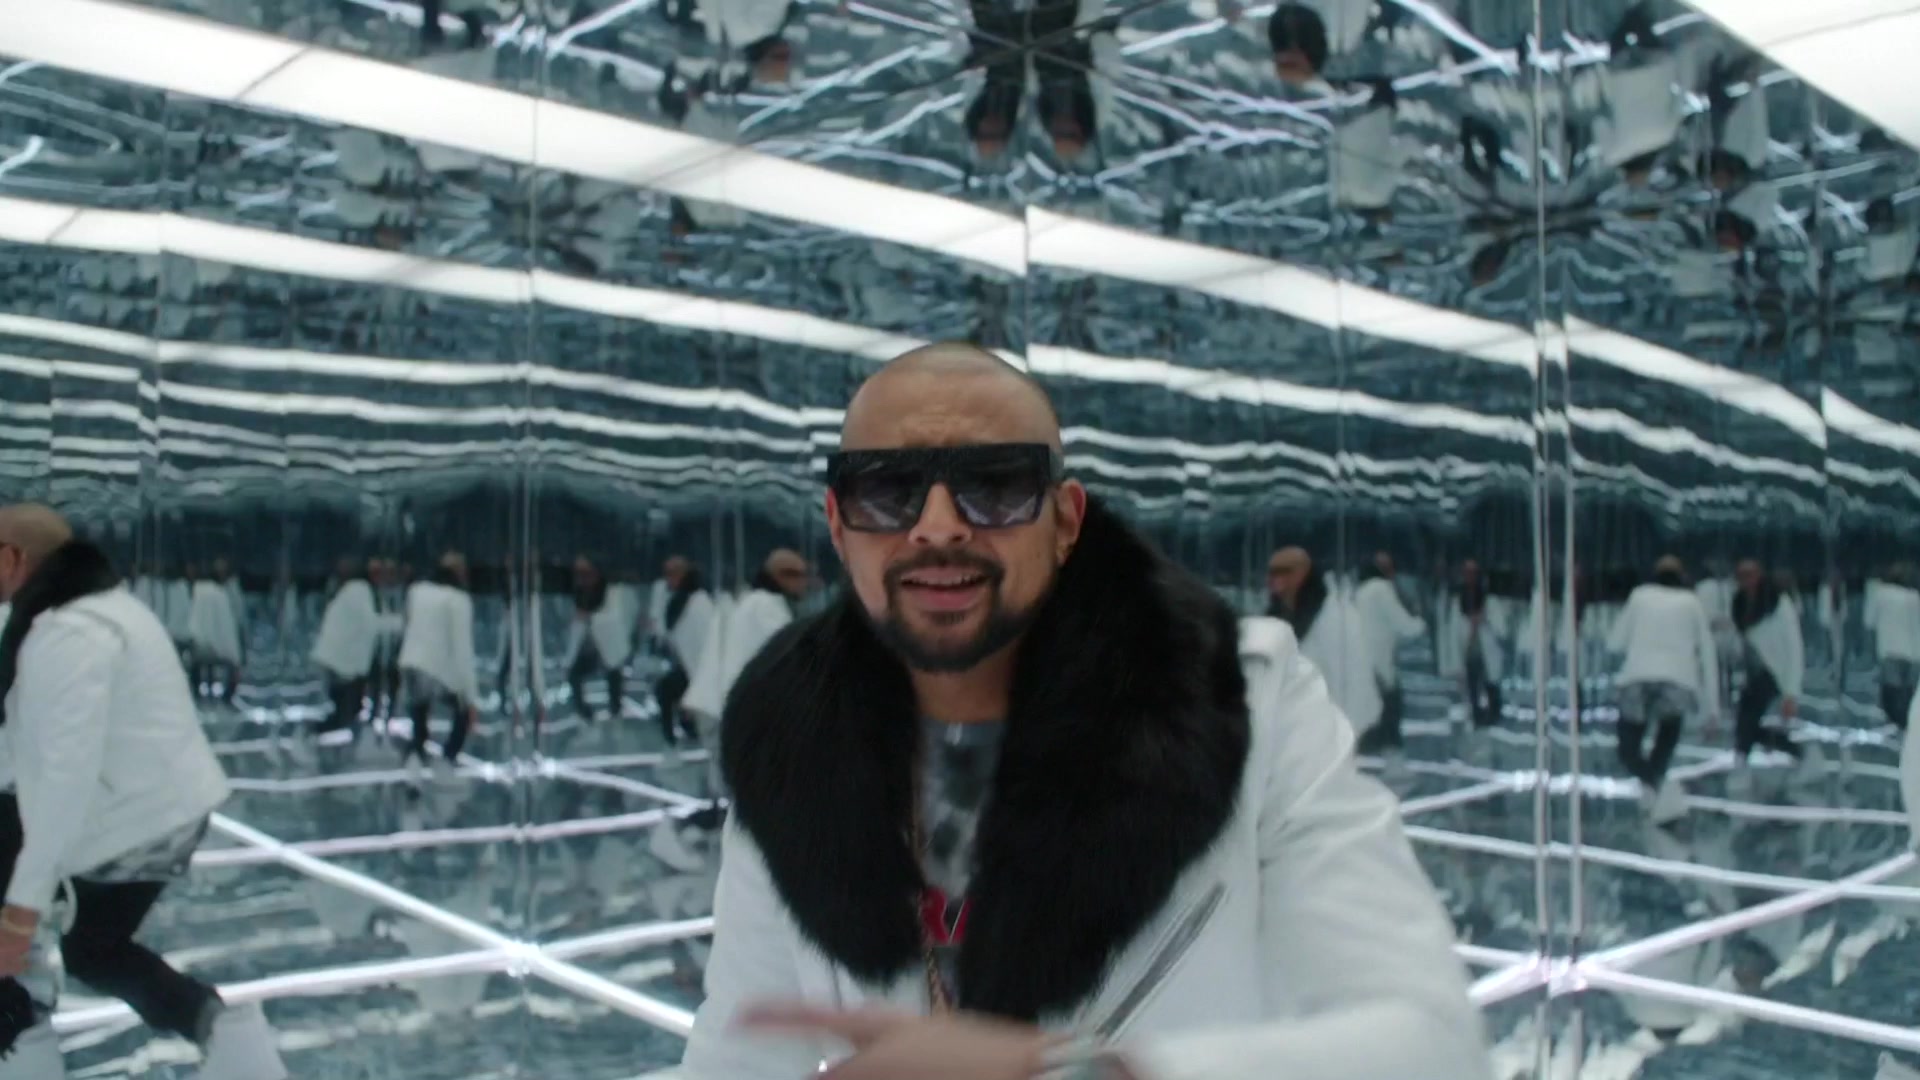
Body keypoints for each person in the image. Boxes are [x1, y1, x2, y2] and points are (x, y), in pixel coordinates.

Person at [679, 344, 1489, 1080]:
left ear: (1066, 521)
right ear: (838, 524)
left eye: (994, 487)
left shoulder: (1246, 707)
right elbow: (734, 1057)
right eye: (888, 493)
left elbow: (1430, 1046)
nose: (937, 527)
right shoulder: (794, 753)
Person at [0, 505, 285, 1079]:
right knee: (93, 949)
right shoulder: (99, 610)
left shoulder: (67, 634)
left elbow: (63, 774)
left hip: (132, 820)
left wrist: (22, 911)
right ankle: (227, 1037)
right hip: (156, 811)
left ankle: (23, 1033)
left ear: (12, 559)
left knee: (85, 945)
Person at [1606, 556, 1720, 823]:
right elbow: (1707, 653)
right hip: (1678, 681)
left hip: (1638, 677)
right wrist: (1712, 708)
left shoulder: (1639, 596)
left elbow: (1615, 642)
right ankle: (1658, 788)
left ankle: (1656, 787)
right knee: (1666, 739)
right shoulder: (1691, 602)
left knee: (1628, 748)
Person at [1266, 546, 1382, 747]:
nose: (1275, 579)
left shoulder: (1333, 616)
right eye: (1272, 572)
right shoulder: (1275, 615)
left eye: (1284, 571)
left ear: (1302, 574)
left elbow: (1351, 676)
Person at [396, 552, 479, 769]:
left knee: (419, 720)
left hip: (410, 664)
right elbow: (463, 649)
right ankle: (446, 762)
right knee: (461, 711)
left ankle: (414, 765)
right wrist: (470, 698)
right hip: (434, 670)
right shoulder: (459, 600)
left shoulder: (417, 591)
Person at [1731, 559, 1806, 774]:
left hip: (1773, 671)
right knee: (1746, 722)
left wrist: (1791, 693)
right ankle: (1791, 749)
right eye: (1742, 576)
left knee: (1747, 718)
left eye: (1750, 575)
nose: (1746, 581)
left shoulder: (1778, 604)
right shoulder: (1739, 604)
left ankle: (1742, 760)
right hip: (1750, 671)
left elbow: (1794, 647)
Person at [1352, 552, 1426, 755]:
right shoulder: (1381, 589)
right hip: (1381, 662)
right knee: (1391, 707)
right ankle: (1390, 752)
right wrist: (1420, 623)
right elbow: (1402, 623)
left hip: (1365, 659)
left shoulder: (1361, 590)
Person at [311, 557, 381, 739]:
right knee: (348, 711)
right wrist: (400, 623)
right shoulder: (360, 590)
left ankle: (315, 734)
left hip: (336, 661)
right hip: (345, 664)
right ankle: (310, 734)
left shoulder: (348, 590)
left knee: (347, 709)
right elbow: (370, 623)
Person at [654, 556, 714, 748]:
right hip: (686, 667)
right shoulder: (676, 599)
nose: (668, 578)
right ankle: (673, 738)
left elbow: (703, 644)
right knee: (664, 690)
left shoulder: (699, 602)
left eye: (672, 573)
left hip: (700, 670)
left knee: (667, 690)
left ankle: (686, 731)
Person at [566, 556, 633, 722]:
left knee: (614, 672)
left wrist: (589, 617)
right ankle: (584, 713)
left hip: (608, 644)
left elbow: (614, 616)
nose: (583, 578)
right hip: (589, 647)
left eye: (586, 573)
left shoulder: (612, 591)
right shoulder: (578, 594)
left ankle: (616, 710)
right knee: (574, 674)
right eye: (579, 573)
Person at [1864, 564, 1920, 731]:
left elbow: (1869, 622)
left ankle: (1893, 723)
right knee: (1907, 692)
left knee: (1891, 690)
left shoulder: (1880, 594)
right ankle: (1905, 725)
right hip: (1911, 651)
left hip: (1888, 648)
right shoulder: (1913, 597)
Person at [186, 558, 245, 706]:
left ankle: (198, 697)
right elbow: (226, 629)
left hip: (199, 646)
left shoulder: (197, 591)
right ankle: (222, 700)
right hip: (214, 648)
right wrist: (235, 658)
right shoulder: (220, 594)